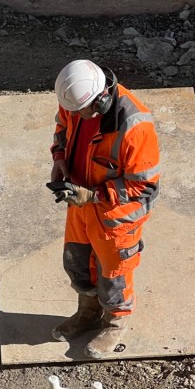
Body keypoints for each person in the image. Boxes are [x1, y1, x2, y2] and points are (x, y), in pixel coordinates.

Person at [48, 59, 161, 359]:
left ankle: (115, 323)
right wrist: (60, 159)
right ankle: (88, 313)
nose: (75, 116)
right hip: (81, 202)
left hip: (116, 215)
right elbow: (62, 128)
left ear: (102, 99)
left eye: (81, 112)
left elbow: (145, 187)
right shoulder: (76, 102)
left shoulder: (135, 127)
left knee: (114, 274)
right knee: (78, 263)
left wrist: (95, 195)